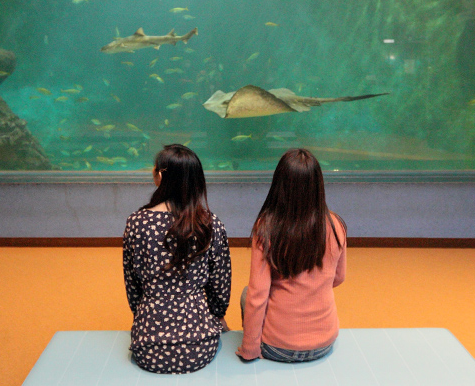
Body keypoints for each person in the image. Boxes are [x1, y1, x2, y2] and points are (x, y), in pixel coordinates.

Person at [123, 144, 231, 373]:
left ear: (160, 175)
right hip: (200, 347)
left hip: (147, 347)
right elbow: (220, 284)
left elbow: (132, 284)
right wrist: (218, 316)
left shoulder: (136, 222)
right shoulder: (210, 224)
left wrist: (145, 314)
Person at [237, 148, 347, 363]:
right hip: (324, 344)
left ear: (279, 185)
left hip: (277, 348)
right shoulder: (336, 224)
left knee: (246, 293)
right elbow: (338, 278)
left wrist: (250, 349)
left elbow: (258, 295)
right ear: (318, 185)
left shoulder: (267, 227)